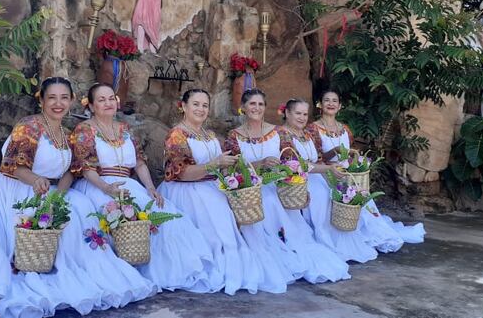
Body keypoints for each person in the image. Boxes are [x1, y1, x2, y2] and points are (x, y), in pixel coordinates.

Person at [0, 77, 156, 318]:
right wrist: (35, 181)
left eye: (64, 98)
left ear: (71, 101)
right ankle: (39, 264)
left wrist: (58, 198)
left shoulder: (67, 134)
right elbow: (14, 166)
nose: (58, 103)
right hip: (16, 188)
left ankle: (88, 272)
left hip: (48, 190)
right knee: (59, 218)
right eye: (52, 98)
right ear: (41, 100)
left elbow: (71, 172)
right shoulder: (29, 127)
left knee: (79, 207)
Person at [69, 83, 215, 293]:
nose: (108, 103)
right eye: (101, 100)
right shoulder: (84, 130)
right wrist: (106, 188)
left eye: (111, 98)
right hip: (98, 184)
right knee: (119, 221)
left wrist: (150, 188)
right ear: (91, 106)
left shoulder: (124, 129)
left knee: (168, 220)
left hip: (128, 184)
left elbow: (139, 163)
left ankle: (166, 271)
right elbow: (85, 168)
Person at [160, 89, 299, 294]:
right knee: (218, 232)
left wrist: (242, 176)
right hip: (188, 190)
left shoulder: (209, 135)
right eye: (196, 104)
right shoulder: (176, 135)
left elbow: (225, 166)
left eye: (205, 105)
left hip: (212, 186)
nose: (200, 109)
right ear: (184, 106)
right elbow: (181, 173)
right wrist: (214, 164)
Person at [225, 88, 351, 284]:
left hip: (280, 188)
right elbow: (232, 167)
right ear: (243, 107)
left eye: (260, 104)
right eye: (252, 104)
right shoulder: (234, 135)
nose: (257, 108)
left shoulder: (277, 133)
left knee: (275, 205)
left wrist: (301, 181)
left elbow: (296, 163)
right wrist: (259, 164)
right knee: (264, 205)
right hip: (249, 189)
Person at [307, 90, 426, 252]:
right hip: (325, 172)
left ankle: (359, 227)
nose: (331, 104)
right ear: (320, 104)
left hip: (347, 173)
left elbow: (350, 152)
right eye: (327, 100)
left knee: (361, 195)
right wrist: (335, 151)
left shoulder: (345, 129)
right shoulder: (313, 129)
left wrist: (355, 164)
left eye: (334, 101)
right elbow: (315, 157)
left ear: (340, 106)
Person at [277, 98, 379, 263]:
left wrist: (331, 174)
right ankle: (323, 235)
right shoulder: (282, 134)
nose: (302, 118)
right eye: (298, 113)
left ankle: (340, 232)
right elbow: (297, 164)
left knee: (338, 189)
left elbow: (319, 159)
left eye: (305, 114)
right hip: (298, 178)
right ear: (287, 113)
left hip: (318, 174)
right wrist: (327, 169)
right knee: (321, 194)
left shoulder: (307, 134)